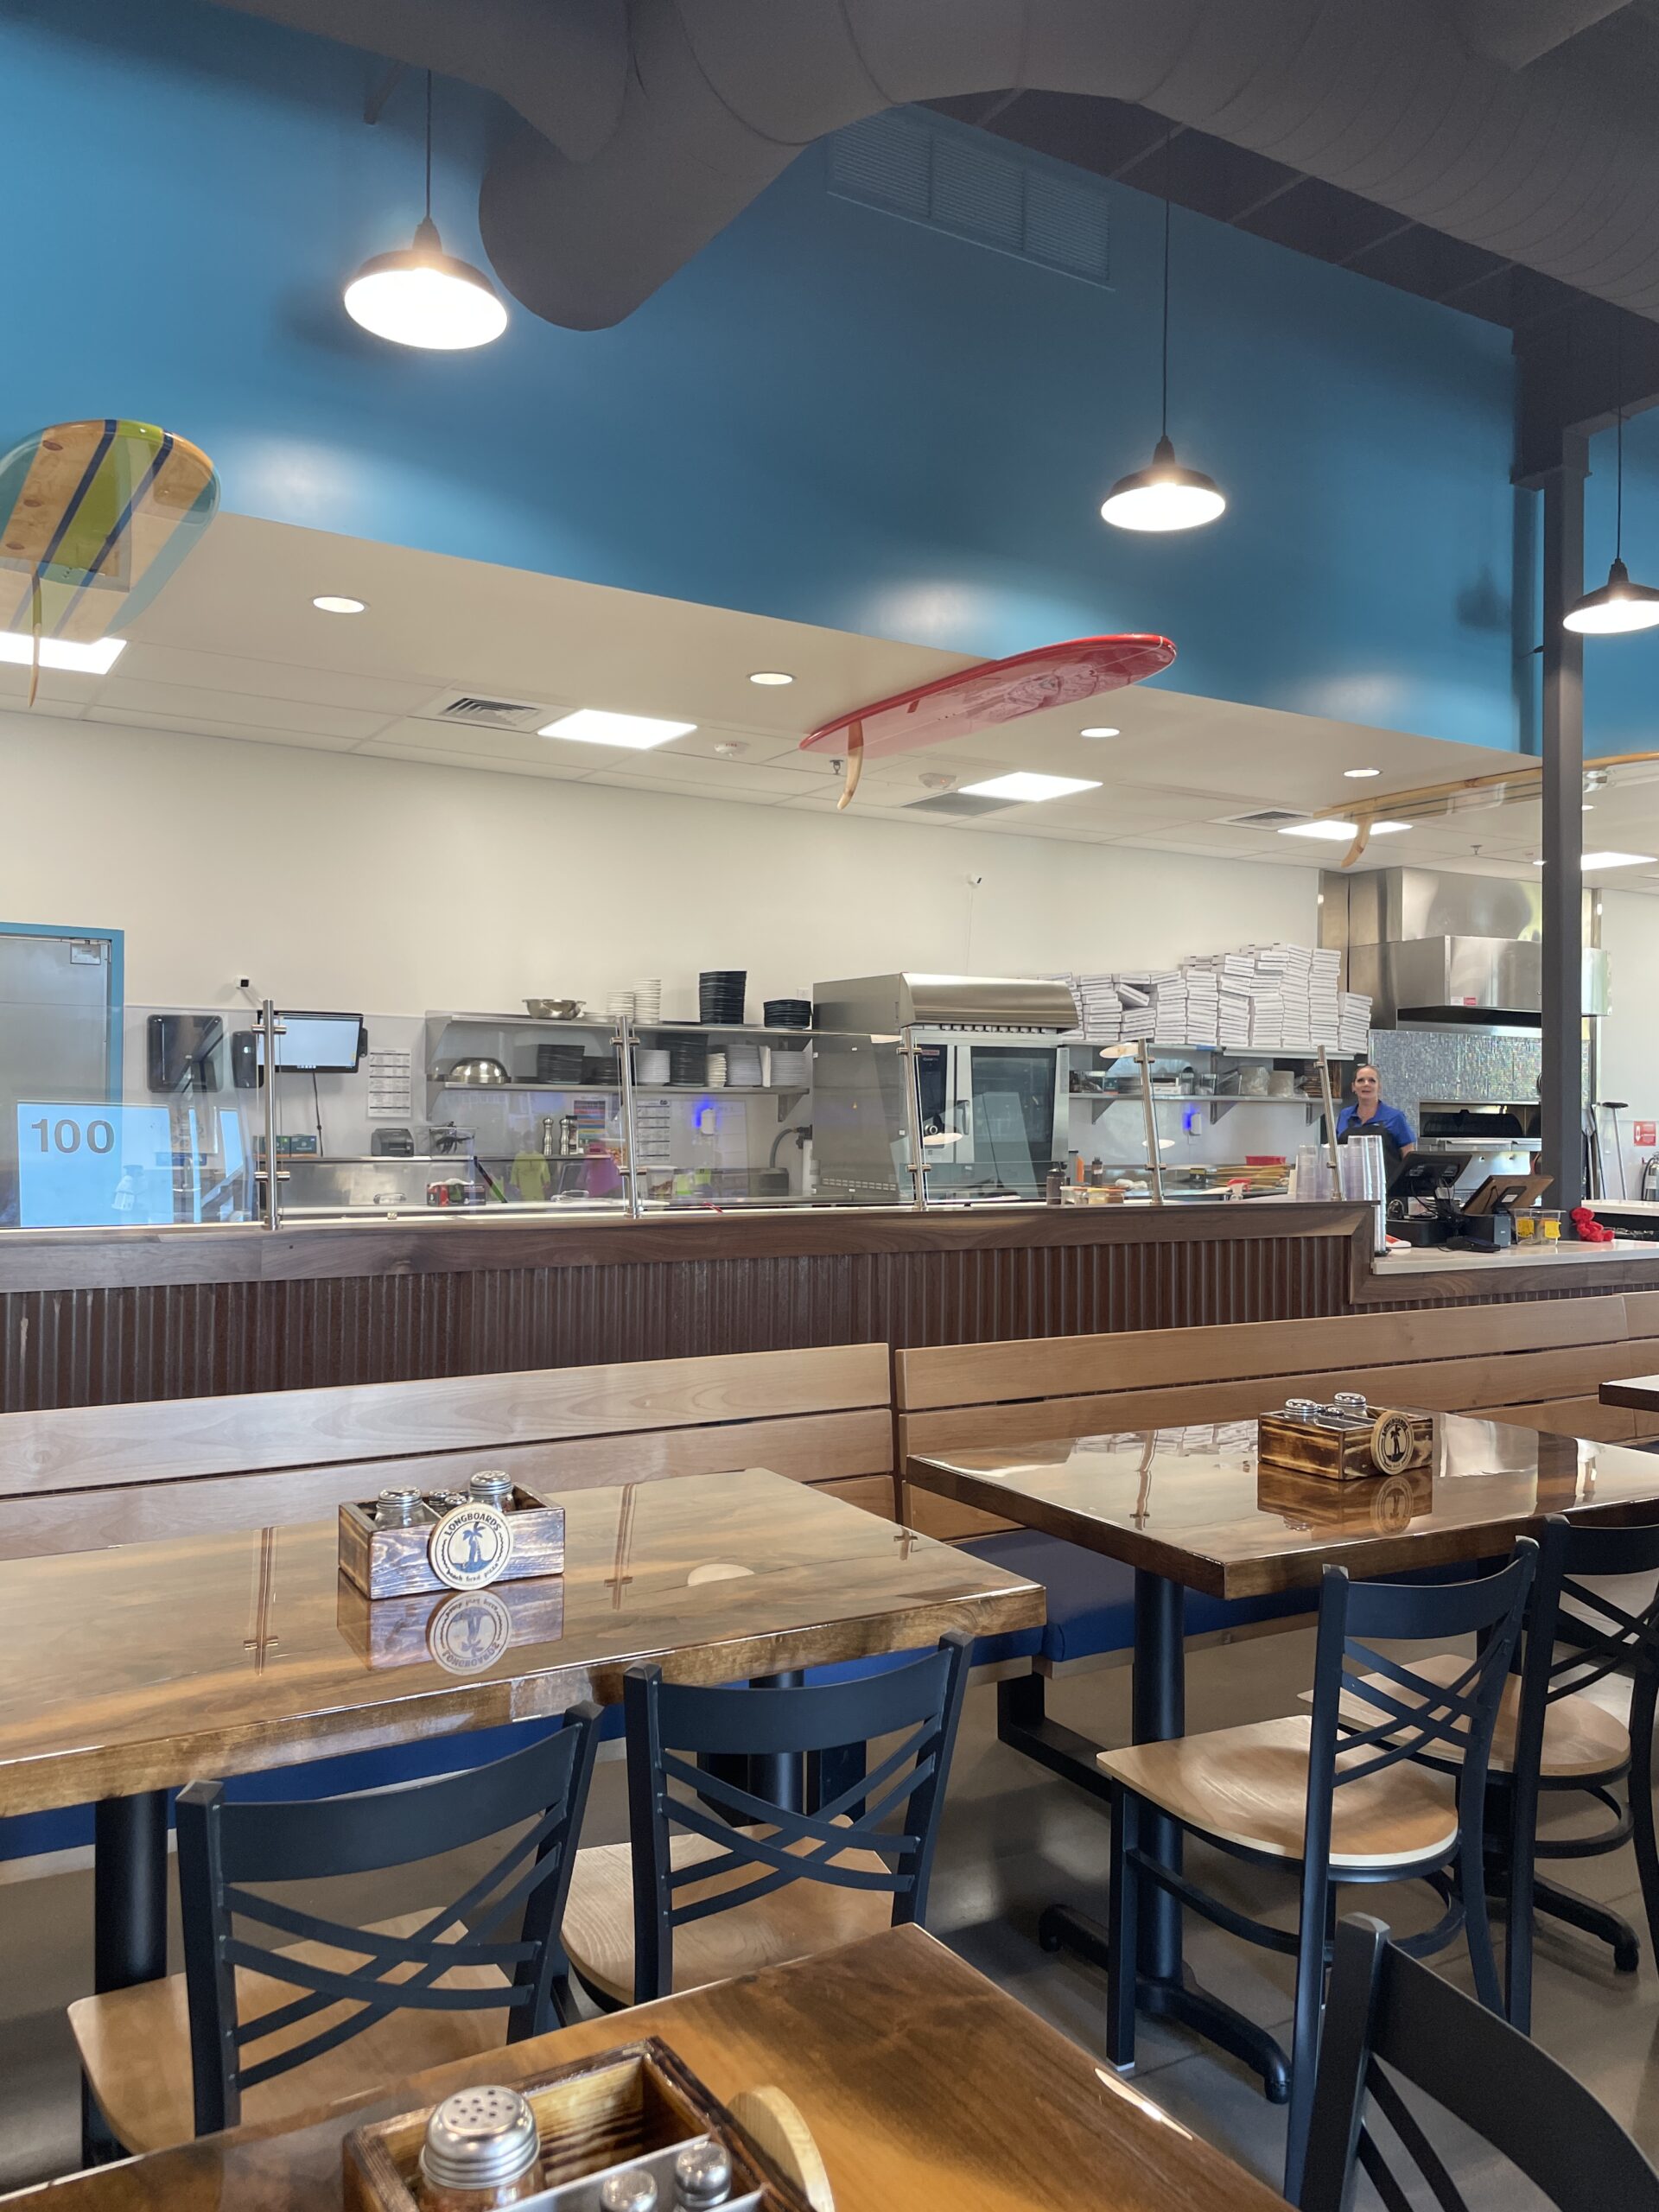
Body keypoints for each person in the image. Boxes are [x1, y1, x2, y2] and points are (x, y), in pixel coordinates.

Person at [1338, 1063, 1415, 1190]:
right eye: (1361, 1080)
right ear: (1353, 1087)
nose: (1366, 1084)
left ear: (1379, 1087)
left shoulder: (1395, 1117)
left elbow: (1409, 1156)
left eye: (1372, 1080)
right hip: (1351, 1191)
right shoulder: (1345, 1115)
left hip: (1389, 1193)